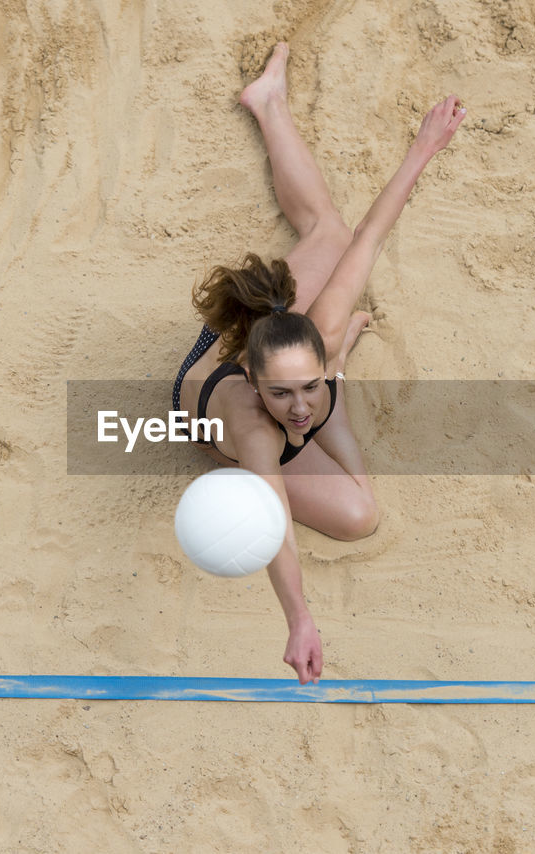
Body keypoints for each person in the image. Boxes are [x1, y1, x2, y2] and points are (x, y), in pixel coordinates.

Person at [170, 42, 465, 684]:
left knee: (331, 235)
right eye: (285, 395)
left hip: (277, 343)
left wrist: (423, 148)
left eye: (310, 387)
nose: (300, 406)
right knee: (361, 514)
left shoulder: (318, 329)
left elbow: (372, 233)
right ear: (255, 378)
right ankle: (329, 381)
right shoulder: (254, 421)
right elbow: (270, 526)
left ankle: (267, 101)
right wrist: (298, 619)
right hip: (206, 399)